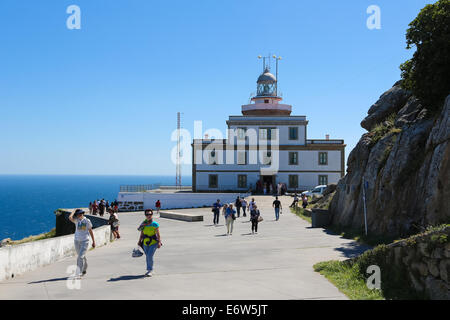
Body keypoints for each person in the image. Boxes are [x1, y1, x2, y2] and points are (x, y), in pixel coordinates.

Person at [69, 209, 95, 278]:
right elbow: (70, 218)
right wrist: (74, 211)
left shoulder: (87, 221)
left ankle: (78, 273)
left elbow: (90, 230)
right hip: (77, 241)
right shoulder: (76, 221)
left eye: (81, 214)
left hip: (85, 241)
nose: (79, 215)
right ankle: (85, 267)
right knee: (81, 256)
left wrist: (93, 241)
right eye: (78, 214)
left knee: (80, 257)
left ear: (83, 214)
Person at [137, 209, 162, 277]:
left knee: (149, 255)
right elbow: (141, 232)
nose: (149, 216)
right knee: (148, 256)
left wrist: (159, 242)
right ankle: (149, 270)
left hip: (154, 242)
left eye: (150, 214)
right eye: (147, 214)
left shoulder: (155, 224)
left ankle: (150, 270)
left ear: (152, 215)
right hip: (145, 242)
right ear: (145, 215)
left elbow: (158, 234)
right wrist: (139, 241)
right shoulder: (143, 223)